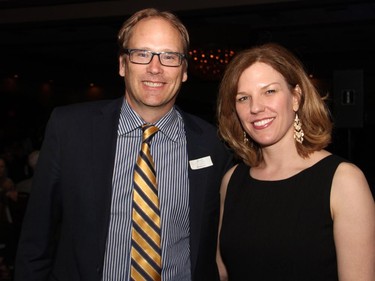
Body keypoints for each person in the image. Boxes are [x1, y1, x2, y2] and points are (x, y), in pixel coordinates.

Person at [14, 8, 233, 281]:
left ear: (184, 70)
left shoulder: (213, 143)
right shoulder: (69, 129)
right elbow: (35, 242)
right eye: (142, 54)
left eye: (169, 56)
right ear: (122, 64)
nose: (155, 67)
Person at [216, 43, 375, 280]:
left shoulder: (343, 181)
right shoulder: (232, 180)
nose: (256, 107)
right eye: (243, 98)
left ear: (296, 98)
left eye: (269, 91)